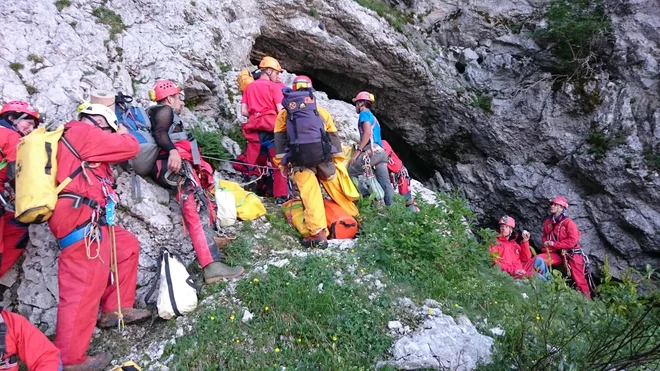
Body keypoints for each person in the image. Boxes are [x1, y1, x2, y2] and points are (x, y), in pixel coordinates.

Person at [49, 104, 152, 370]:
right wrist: (122, 131)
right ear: (98, 121)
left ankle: (115, 308)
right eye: (108, 128)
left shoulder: (81, 138)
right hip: (80, 218)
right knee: (82, 287)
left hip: (91, 219)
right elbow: (130, 146)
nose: (110, 134)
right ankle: (70, 360)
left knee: (127, 245)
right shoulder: (82, 131)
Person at [147, 80, 244, 284]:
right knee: (194, 209)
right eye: (179, 98)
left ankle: (211, 243)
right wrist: (173, 151)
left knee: (200, 205)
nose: (181, 103)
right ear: (170, 97)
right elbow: (160, 133)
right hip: (174, 166)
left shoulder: (163, 112)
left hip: (176, 165)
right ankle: (211, 266)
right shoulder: (163, 110)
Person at [273, 76, 356, 248]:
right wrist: (336, 159)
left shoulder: (284, 113)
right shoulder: (319, 110)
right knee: (336, 189)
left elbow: (280, 142)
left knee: (310, 195)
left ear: (294, 90)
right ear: (311, 91)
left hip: (300, 161)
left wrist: (282, 164)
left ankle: (318, 233)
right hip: (323, 157)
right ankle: (355, 218)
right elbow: (333, 136)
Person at [240, 56, 289, 204]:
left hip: (254, 127)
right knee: (279, 162)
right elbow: (281, 110)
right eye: (276, 72)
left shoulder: (249, 87)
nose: (277, 75)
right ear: (268, 71)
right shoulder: (274, 87)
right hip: (271, 127)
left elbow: (243, 111)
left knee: (255, 159)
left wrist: (257, 112)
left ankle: (251, 190)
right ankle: (280, 196)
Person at [0, 101, 41, 278]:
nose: (30, 129)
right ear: (12, 118)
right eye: (28, 123)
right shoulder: (11, 136)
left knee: (16, 226)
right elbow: (15, 173)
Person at [348, 91, 394, 206]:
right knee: (384, 181)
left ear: (361, 103)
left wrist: (357, 152)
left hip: (372, 151)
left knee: (351, 171)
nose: (356, 106)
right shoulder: (373, 117)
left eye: (357, 103)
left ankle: (367, 202)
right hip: (381, 153)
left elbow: (367, 132)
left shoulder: (364, 114)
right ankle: (393, 209)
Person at [541, 196, 592, 298]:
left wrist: (554, 244)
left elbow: (572, 241)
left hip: (572, 254)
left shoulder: (569, 223)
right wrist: (546, 243)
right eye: (552, 204)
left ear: (561, 208)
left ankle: (587, 300)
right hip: (557, 253)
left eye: (555, 205)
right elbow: (545, 236)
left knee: (579, 280)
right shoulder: (548, 223)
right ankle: (541, 284)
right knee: (540, 260)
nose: (552, 206)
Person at [489, 216, 550, 281]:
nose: (503, 228)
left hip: (521, 270)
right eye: (502, 226)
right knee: (537, 276)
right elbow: (494, 263)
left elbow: (526, 258)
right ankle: (549, 287)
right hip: (511, 275)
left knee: (539, 260)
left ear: (511, 230)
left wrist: (525, 242)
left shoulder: (514, 243)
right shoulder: (495, 243)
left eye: (506, 227)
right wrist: (513, 271)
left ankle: (550, 283)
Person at [380, 140, 418, 212]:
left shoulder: (383, 143)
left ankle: (413, 215)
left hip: (400, 174)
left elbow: (383, 155)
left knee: (406, 198)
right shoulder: (381, 144)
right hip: (391, 174)